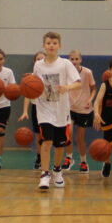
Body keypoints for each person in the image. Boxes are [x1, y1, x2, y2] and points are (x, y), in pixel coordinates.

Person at [24, 33, 81, 190]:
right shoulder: (38, 65)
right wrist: (29, 84)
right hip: (44, 109)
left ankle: (57, 171)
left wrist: (67, 87)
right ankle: (44, 174)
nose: (51, 45)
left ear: (59, 46)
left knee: (59, 144)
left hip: (61, 110)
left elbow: (78, 83)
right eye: (48, 43)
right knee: (46, 141)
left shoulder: (65, 64)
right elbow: (34, 84)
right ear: (44, 45)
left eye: (54, 43)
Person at [66, 50, 95, 173]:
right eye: (72, 59)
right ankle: (69, 158)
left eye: (76, 59)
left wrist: (90, 100)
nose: (74, 61)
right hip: (70, 108)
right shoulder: (66, 72)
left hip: (84, 109)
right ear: (69, 60)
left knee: (80, 138)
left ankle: (83, 162)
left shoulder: (87, 72)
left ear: (80, 60)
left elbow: (93, 88)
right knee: (68, 133)